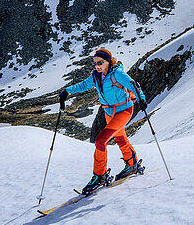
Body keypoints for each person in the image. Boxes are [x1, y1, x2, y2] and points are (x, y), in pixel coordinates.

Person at [59, 47, 146, 194]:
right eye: (95, 63)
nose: (97, 65)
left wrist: (141, 99)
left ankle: (100, 176)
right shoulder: (96, 76)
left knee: (100, 140)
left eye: (100, 62)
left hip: (123, 110)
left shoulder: (117, 73)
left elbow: (132, 84)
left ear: (108, 61)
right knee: (120, 138)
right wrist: (67, 91)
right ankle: (132, 164)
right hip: (109, 112)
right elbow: (83, 85)